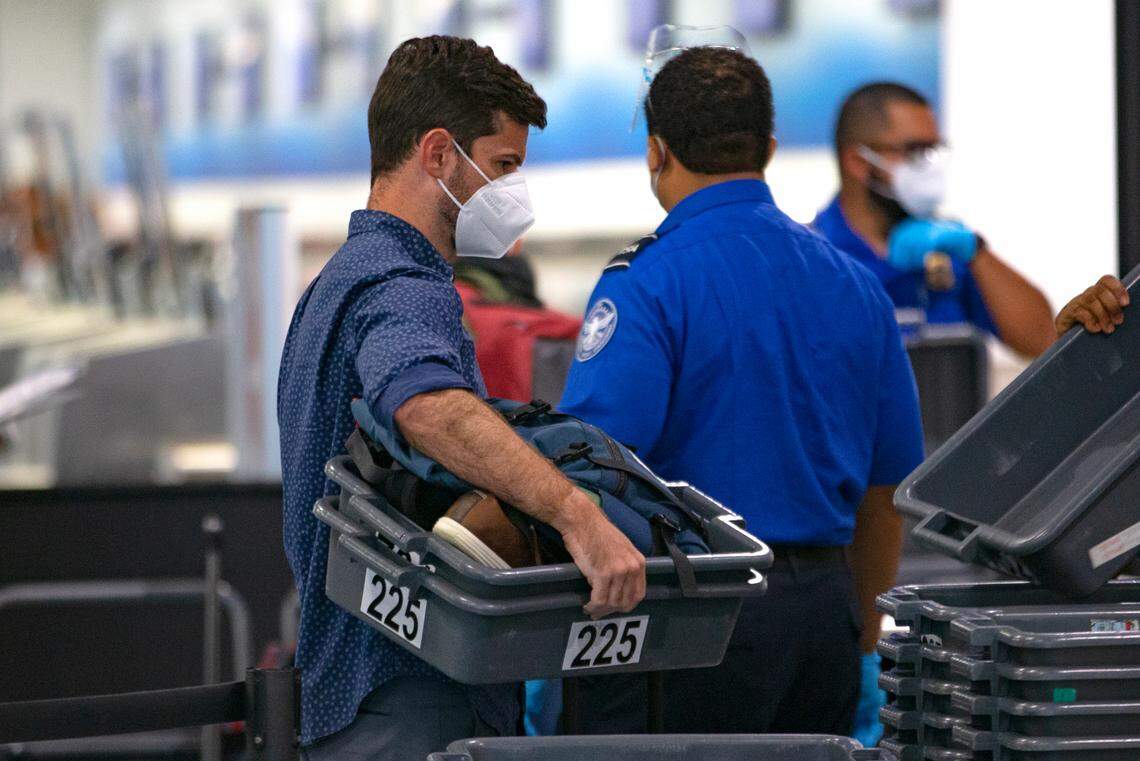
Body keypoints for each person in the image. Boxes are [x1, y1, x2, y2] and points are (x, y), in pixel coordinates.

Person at [277, 36, 647, 761]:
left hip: (361, 691)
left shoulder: (336, 283)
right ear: (439, 154)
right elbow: (427, 403)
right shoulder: (399, 287)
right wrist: (579, 514)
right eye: (504, 165)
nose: (516, 194)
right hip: (406, 689)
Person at [557, 44, 924, 735]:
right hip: (826, 618)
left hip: (693, 619)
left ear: (656, 153)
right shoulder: (856, 286)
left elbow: (593, 469)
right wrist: (863, 637)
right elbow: (887, 493)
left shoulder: (649, 283)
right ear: (770, 148)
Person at [812, 82, 1056, 358]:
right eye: (915, 151)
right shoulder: (814, 257)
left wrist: (975, 250)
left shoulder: (948, 249)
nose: (928, 167)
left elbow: (1044, 340)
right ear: (859, 162)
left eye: (933, 151)